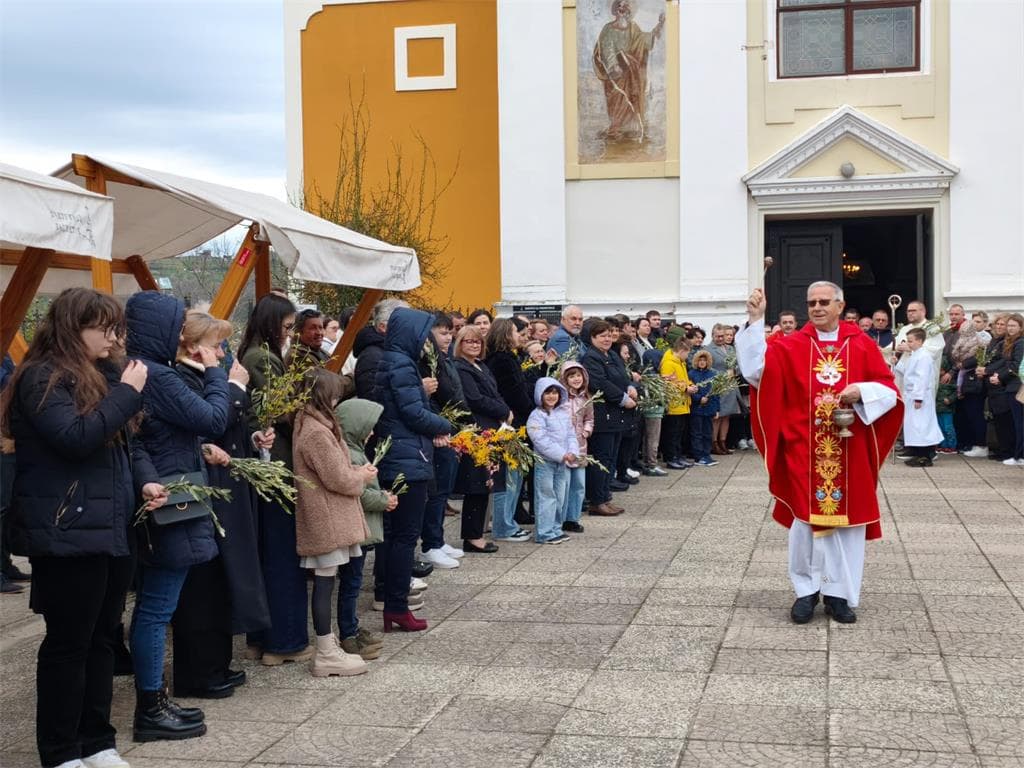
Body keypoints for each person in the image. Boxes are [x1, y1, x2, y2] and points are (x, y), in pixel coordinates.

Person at [2, 288, 165, 768]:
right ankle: (59, 751)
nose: (114, 339)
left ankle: (98, 742)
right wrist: (126, 391)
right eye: (105, 328)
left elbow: (122, 446)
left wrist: (146, 482)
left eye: (118, 329)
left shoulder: (101, 375)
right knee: (67, 646)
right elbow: (76, 438)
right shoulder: (40, 377)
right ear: (74, 327)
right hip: (66, 530)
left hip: (110, 527)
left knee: (101, 641)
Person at [737, 282, 902, 625]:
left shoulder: (862, 345)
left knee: (847, 525)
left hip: (850, 448)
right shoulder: (793, 345)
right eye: (811, 302)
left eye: (824, 301)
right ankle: (806, 591)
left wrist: (862, 390)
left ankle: (839, 594)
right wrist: (755, 320)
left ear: (840, 306)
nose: (817, 307)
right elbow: (757, 375)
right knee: (804, 524)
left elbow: (888, 390)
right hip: (804, 448)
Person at [125, 290, 232, 742]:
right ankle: (151, 707)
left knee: (155, 605)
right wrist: (215, 372)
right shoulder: (160, 377)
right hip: (172, 502)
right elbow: (213, 417)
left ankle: (156, 700)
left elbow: (152, 438)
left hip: (165, 490)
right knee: (157, 607)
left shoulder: (138, 370)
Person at [171, 312, 269, 701]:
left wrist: (253, 435)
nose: (223, 351)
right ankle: (198, 671)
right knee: (203, 586)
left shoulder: (198, 375)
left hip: (223, 485)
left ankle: (216, 663)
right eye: (216, 344)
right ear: (193, 345)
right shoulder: (180, 377)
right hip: (203, 491)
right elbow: (211, 421)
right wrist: (233, 386)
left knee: (222, 581)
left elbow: (227, 426)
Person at [238, 293, 312, 667]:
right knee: (282, 557)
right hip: (275, 466)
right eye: (286, 327)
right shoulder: (264, 358)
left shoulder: (249, 353)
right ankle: (284, 641)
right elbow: (276, 411)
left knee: (266, 554)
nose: (289, 335)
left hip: (262, 467)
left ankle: (261, 639)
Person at [371, 308, 453, 633]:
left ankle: (394, 606)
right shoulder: (402, 364)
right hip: (407, 457)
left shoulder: (390, 360)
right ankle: (396, 607)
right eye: (424, 335)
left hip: (396, 455)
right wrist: (445, 425)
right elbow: (413, 412)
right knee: (405, 537)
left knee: (394, 537)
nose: (427, 341)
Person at [292, 368, 373, 677]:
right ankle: (326, 652)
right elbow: (337, 477)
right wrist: (361, 476)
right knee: (325, 584)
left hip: (329, 514)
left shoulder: (313, 424)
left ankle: (329, 648)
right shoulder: (315, 430)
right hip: (326, 516)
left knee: (327, 582)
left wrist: (354, 471)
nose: (339, 399)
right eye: (335, 394)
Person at [336, 398, 397, 660]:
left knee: (354, 581)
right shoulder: (350, 453)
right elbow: (358, 492)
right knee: (351, 582)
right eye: (368, 426)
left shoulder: (355, 450)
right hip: (355, 528)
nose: (372, 432)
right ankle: (348, 632)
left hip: (360, 527)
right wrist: (383, 500)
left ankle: (352, 627)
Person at [452, 326, 509, 551]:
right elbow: (475, 399)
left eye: (477, 342)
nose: (474, 345)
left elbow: (494, 393)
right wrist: (503, 410)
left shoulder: (481, 366)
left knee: (486, 483)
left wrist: (504, 409)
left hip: (492, 429)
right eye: (469, 341)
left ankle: (476, 533)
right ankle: (472, 536)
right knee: (477, 484)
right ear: (460, 344)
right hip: (478, 431)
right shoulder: (462, 368)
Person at [418, 312, 467, 569]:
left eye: (450, 332)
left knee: (444, 489)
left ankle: (437, 539)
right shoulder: (425, 361)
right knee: (436, 492)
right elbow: (432, 399)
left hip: (451, 428)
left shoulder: (444, 358)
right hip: (439, 431)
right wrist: (440, 428)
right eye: (443, 332)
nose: (448, 337)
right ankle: (430, 544)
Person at [485, 318, 534, 542]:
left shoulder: (504, 358)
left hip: (513, 420)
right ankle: (504, 525)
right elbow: (516, 393)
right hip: (511, 423)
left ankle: (508, 522)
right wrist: (533, 408)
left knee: (513, 474)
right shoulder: (503, 360)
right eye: (516, 331)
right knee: (509, 476)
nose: (520, 336)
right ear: (506, 334)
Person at [581, 320, 636, 516]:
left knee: (611, 458)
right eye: (601, 335)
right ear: (592, 338)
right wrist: (623, 398)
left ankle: (606, 497)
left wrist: (630, 386)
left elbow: (622, 375)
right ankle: (597, 500)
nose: (606, 339)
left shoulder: (612, 354)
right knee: (601, 459)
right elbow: (599, 382)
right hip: (603, 414)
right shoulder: (590, 358)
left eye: (609, 334)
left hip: (617, 416)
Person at [593, 0, 665, 141]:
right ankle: (615, 128)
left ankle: (630, 129)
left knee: (632, 97)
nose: (622, 8)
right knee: (617, 100)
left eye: (625, 6)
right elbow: (606, 48)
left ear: (628, 10)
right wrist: (613, 65)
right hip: (615, 72)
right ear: (615, 9)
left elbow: (644, 41)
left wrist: (659, 26)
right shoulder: (608, 28)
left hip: (630, 71)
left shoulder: (633, 27)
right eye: (619, 6)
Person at [527, 378, 578, 545]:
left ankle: (556, 528)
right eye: (547, 393)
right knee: (546, 497)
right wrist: (562, 454)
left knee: (559, 496)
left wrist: (572, 452)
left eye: (555, 393)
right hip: (545, 462)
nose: (551, 396)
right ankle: (544, 532)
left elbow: (571, 435)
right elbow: (540, 440)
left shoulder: (562, 413)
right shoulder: (536, 416)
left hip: (562, 462)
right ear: (540, 395)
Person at [897, 328, 944, 467]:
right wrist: (897, 363)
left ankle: (925, 455)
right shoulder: (915, 355)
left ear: (919, 341)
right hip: (912, 395)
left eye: (910, 341)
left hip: (920, 396)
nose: (908, 344)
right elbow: (908, 373)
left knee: (921, 425)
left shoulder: (924, 356)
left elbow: (921, 378)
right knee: (914, 425)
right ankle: (918, 453)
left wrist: (919, 397)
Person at [559, 362, 593, 533]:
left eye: (578, 375)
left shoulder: (586, 398)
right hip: (564, 446)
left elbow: (589, 418)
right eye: (571, 376)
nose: (576, 379)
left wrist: (586, 431)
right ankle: (561, 517)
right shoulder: (560, 397)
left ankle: (573, 518)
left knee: (579, 484)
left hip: (580, 445)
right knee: (563, 485)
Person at [985, 313, 1024, 465]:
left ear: (1020, 327)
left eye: (1013, 326)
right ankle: (1017, 454)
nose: (1010, 329)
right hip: (1009, 386)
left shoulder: (1020, 343)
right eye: (1009, 326)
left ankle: (1020, 456)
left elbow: (1016, 365)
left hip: (1016, 386)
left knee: (1019, 423)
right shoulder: (1009, 342)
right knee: (1016, 422)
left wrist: (999, 377)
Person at [354, 299, 409, 400]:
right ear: (383, 327)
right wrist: (416, 390)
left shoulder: (392, 350)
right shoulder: (372, 357)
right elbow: (372, 399)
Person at [659, 327, 695, 469]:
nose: (688, 356)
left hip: (682, 402)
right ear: (681, 351)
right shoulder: (669, 363)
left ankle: (678, 456)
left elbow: (683, 378)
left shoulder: (680, 362)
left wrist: (691, 385)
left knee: (679, 433)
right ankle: (671, 457)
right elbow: (669, 383)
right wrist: (686, 388)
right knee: (672, 433)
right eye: (687, 353)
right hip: (674, 404)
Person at [894, 300, 944, 391]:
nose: (910, 313)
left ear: (923, 312)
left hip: (921, 375)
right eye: (908, 311)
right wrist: (892, 350)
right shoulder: (904, 329)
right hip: (903, 374)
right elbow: (894, 347)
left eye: (913, 311)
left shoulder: (932, 328)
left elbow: (935, 350)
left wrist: (911, 349)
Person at [708, 324, 740, 455]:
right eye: (718, 336)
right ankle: (714, 443)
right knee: (718, 416)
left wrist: (735, 371)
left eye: (722, 336)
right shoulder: (709, 349)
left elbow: (737, 364)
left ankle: (723, 441)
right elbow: (707, 368)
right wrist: (722, 375)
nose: (721, 338)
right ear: (713, 335)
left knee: (727, 415)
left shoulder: (731, 348)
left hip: (731, 386)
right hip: (718, 386)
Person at [688, 351, 718, 467]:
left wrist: (716, 409)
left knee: (708, 433)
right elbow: (690, 390)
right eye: (700, 360)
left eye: (704, 360)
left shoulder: (712, 374)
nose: (702, 362)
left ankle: (706, 454)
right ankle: (698, 456)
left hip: (709, 409)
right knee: (697, 433)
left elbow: (716, 393)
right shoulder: (691, 374)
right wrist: (698, 399)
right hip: (697, 409)